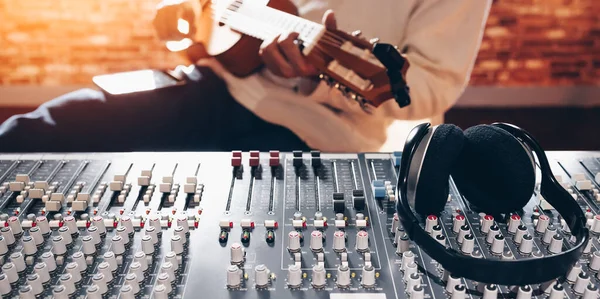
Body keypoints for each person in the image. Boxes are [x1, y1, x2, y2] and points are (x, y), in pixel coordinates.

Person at [0, 0, 491, 153]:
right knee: (37, 132)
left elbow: (430, 86)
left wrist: (315, 75)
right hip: (207, 84)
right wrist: (175, 11)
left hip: (313, 131)